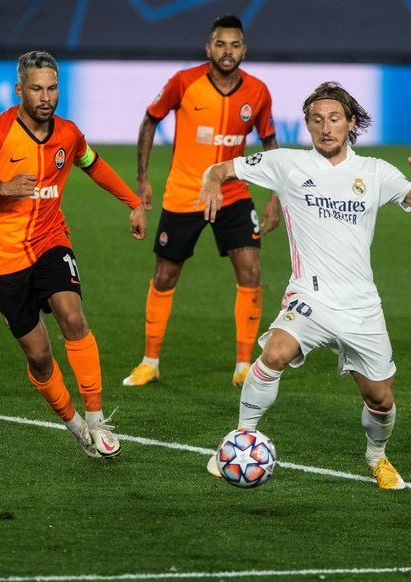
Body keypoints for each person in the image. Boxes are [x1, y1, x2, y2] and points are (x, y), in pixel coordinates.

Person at [197, 81, 411, 489]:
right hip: (309, 297)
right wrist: (211, 184)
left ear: (350, 123)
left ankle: (377, 457)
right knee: (274, 353)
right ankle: (240, 437)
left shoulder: (375, 172)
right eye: (316, 120)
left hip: (361, 305)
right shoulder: (287, 163)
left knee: (381, 400)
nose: (325, 127)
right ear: (308, 126)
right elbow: (222, 168)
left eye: (334, 119)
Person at [0, 50, 147, 459]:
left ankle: (96, 419)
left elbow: (92, 164)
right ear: (20, 89)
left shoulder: (68, 134)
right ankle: (74, 425)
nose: (45, 96)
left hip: (50, 239)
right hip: (2, 254)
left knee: (73, 315)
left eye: (52, 87)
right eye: (36, 88)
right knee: (38, 356)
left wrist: (133, 202)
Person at [122, 14, 279, 389]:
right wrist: (143, 178)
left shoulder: (257, 91)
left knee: (251, 273)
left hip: (234, 194)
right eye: (220, 44)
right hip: (184, 194)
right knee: (165, 275)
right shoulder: (183, 82)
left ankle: (244, 367)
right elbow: (149, 120)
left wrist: (276, 196)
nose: (228, 51)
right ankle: (150, 362)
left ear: (244, 49)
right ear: (208, 48)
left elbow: (269, 143)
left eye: (235, 44)